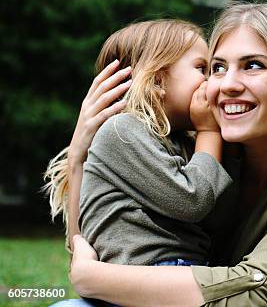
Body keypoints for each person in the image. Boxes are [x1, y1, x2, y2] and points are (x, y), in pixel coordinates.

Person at [50, 3, 267, 306]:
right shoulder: (192, 150)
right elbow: (95, 242)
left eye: (253, 65)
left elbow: (256, 296)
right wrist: (79, 157)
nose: (225, 84)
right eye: (216, 67)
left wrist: (94, 278)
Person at [43, 19, 233, 268]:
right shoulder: (122, 130)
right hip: (159, 271)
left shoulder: (182, 142)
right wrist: (209, 131)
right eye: (202, 69)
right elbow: (192, 201)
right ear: (156, 79)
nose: (212, 81)